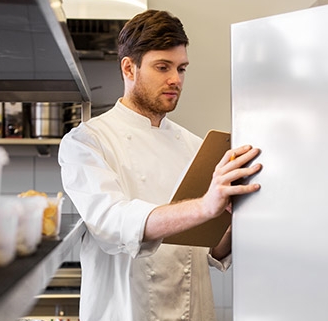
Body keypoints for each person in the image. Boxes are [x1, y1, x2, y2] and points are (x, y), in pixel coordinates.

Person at [58, 9, 262, 321]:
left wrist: (234, 216)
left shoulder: (195, 145)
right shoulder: (87, 142)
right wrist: (206, 206)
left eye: (181, 69)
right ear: (129, 68)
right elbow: (113, 223)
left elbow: (211, 251)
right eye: (162, 67)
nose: (175, 80)